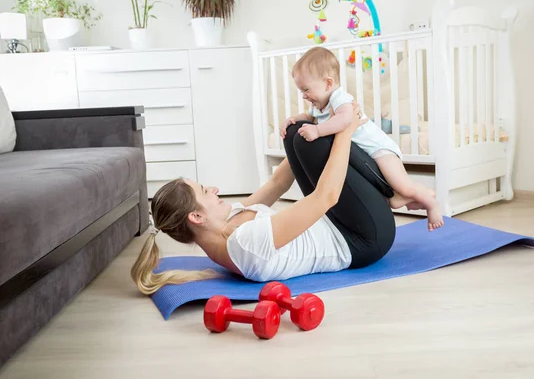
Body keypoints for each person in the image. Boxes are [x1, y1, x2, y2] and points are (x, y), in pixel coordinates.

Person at [131, 103, 400, 295]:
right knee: (319, 139)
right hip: (363, 240)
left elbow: (278, 182)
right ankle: (400, 187)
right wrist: (345, 129)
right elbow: (325, 198)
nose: (213, 189)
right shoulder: (245, 243)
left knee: (300, 134)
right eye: (204, 191)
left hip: (338, 222)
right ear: (197, 217)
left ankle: (395, 182)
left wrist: (294, 130)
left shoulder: (226, 222)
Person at [280, 46, 443, 231]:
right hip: (365, 156)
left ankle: (431, 203)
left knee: (404, 187)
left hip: (380, 149)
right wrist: (293, 119)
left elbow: (345, 120)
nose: (304, 95)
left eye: (306, 89)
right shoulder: (320, 105)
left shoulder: (339, 98)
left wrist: (317, 131)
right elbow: (309, 116)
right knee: (394, 200)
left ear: (328, 83)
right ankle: (410, 199)